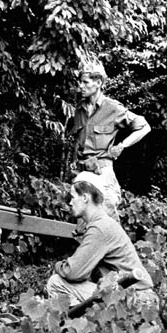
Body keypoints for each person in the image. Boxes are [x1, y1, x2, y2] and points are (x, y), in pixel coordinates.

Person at [46, 172, 156, 306]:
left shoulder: (100, 228)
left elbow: (74, 272)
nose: (70, 202)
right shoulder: (103, 223)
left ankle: (76, 324)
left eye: (73, 197)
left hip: (136, 299)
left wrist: (57, 266)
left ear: (85, 197)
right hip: (134, 295)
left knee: (56, 282)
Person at [70, 61, 151, 220]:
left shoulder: (113, 108)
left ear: (98, 83)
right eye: (80, 82)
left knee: (108, 219)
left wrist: (122, 145)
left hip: (102, 173)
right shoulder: (80, 109)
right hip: (83, 172)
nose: (81, 86)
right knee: (82, 223)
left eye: (85, 82)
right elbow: (78, 141)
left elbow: (144, 127)